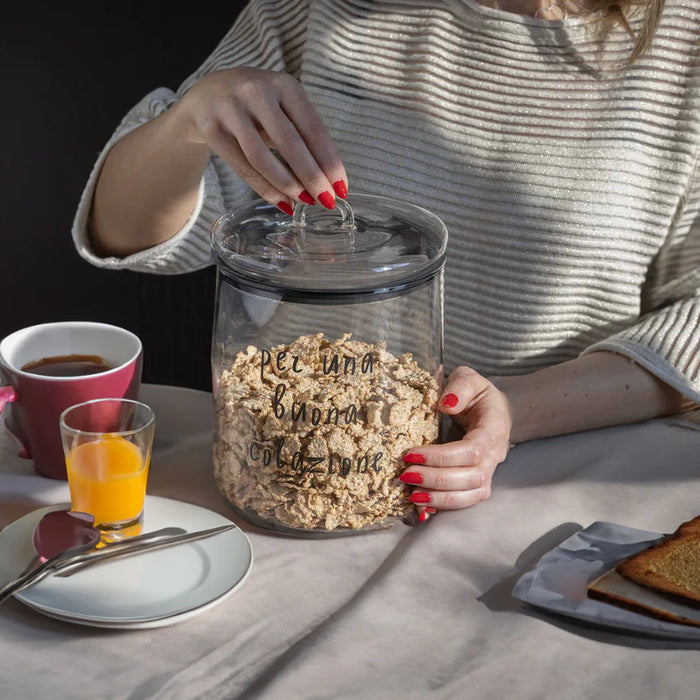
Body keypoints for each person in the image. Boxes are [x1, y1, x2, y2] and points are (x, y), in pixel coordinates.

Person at [73, 0, 699, 517]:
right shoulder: (315, 11)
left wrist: (514, 411)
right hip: (287, 477)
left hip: (551, 503)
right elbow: (122, 232)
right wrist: (190, 120)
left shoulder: (684, 52)